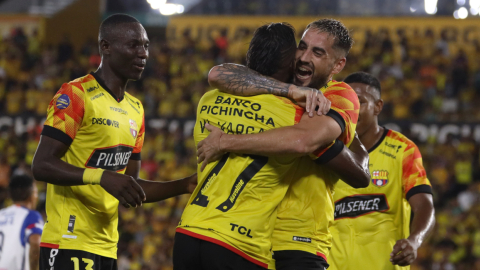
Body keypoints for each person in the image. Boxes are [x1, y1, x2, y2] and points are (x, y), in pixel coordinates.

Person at [174, 22, 368, 270]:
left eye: (317, 53)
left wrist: (226, 141)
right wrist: (290, 90)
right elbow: (217, 74)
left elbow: (304, 141)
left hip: (299, 238)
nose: (304, 59)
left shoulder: (339, 95)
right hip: (253, 238)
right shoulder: (276, 90)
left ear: (338, 65)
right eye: (302, 47)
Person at [32, 14, 196, 270]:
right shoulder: (76, 95)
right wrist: (101, 176)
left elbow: (131, 186)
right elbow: (41, 164)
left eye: (146, 46)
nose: (143, 53)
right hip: (68, 241)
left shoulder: (136, 109)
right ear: (105, 47)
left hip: (107, 247)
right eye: (134, 45)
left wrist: (186, 184)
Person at [328, 72, 435, 270]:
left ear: (378, 107)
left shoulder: (403, 150)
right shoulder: (327, 149)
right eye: (346, 102)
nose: (352, 109)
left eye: (360, 102)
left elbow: (424, 205)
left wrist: (414, 240)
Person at [0, 174, 43, 270]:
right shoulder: (30, 215)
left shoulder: (1, 214)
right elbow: (35, 243)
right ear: (31, 195)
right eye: (36, 192)